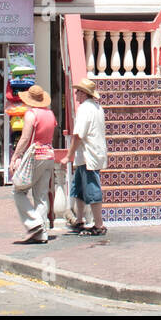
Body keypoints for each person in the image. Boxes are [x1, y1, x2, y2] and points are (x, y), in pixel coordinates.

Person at [10, 84, 57, 244]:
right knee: (41, 195)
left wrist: (15, 156)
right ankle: (41, 232)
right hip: (49, 155)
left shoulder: (31, 114)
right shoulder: (50, 114)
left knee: (18, 191)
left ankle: (34, 223)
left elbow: (25, 138)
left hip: (35, 155)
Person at [67, 78, 107, 236]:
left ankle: (98, 224)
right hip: (90, 154)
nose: (76, 94)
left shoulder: (84, 109)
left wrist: (69, 155)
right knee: (80, 188)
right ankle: (80, 219)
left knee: (91, 188)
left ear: (83, 93)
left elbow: (78, 135)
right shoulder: (97, 108)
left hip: (88, 155)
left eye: (78, 91)